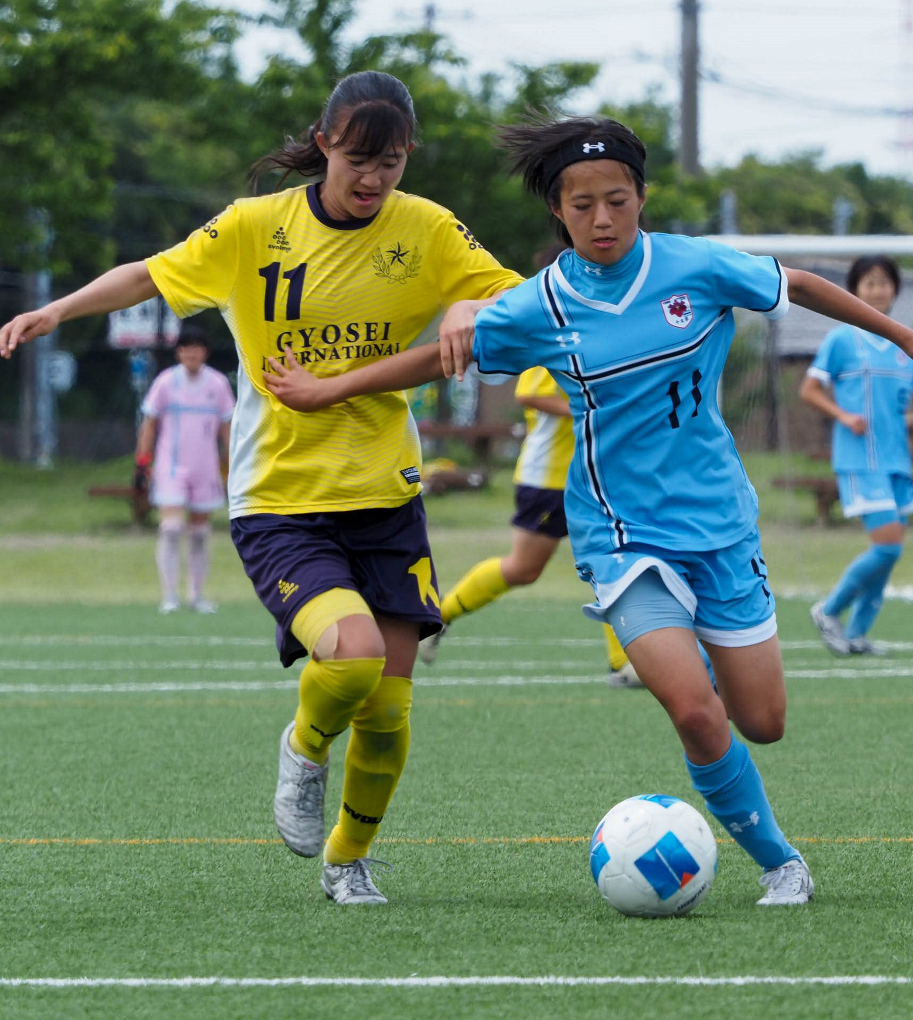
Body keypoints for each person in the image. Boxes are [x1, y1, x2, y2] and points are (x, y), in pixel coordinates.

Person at [260, 116, 913, 906]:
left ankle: (708, 678)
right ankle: (781, 862)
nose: (603, 220)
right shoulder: (545, 303)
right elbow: (439, 354)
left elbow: (797, 285)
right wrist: (329, 388)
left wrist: (907, 338)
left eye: (618, 201)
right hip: (621, 532)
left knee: (761, 721)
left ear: (641, 200)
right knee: (694, 711)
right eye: (583, 205)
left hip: (721, 523)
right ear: (558, 213)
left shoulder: (694, 266)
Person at [0, 71, 525, 905]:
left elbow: (517, 299)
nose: (372, 178)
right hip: (281, 498)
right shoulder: (254, 229)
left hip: (386, 495)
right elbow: (149, 273)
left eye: (389, 162)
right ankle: (305, 748)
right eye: (357, 158)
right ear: (322, 144)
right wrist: (55, 311)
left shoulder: (426, 230)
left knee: (390, 713)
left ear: (407, 157)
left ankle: (348, 862)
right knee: (349, 660)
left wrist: (474, 310)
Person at [419, 248, 640, 687]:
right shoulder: (558, 325)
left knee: (615, 561)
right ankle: (436, 617)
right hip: (551, 476)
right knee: (524, 567)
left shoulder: (605, 324)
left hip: (595, 473)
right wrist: (595, 407)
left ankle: (624, 663)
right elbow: (530, 394)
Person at [799, 255, 913, 655]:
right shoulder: (842, 340)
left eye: (884, 282)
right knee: (887, 547)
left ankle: (856, 635)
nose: (877, 290)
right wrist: (844, 415)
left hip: (896, 459)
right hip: (859, 458)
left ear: (896, 289)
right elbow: (810, 390)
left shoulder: (905, 343)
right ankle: (829, 611)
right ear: (854, 290)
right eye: (868, 283)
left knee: (889, 556)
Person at [135, 327, 235, 614]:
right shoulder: (166, 382)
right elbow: (150, 424)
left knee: (200, 532)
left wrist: (230, 464)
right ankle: (169, 596)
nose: (191, 353)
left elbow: (227, 428)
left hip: (205, 468)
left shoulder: (217, 384)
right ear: (178, 352)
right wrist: (143, 461)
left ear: (205, 352)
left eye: (197, 347)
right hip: (171, 467)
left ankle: (196, 595)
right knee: (171, 528)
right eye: (186, 348)